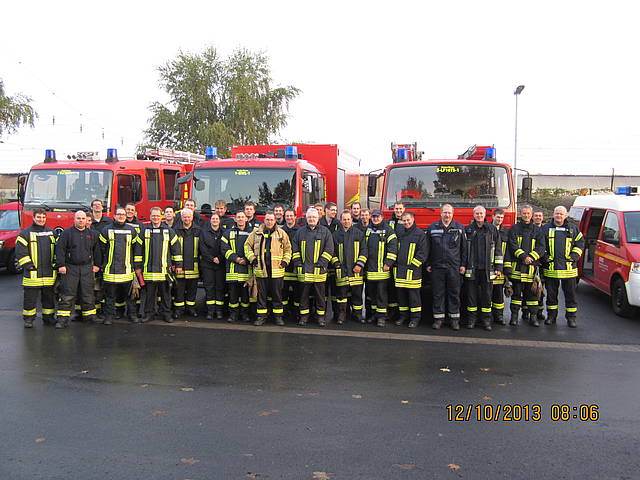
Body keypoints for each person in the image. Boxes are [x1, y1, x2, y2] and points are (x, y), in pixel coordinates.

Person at [540, 206, 585, 328]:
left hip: (568, 270)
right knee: (551, 296)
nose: (558, 216)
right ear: (553, 214)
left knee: (571, 296)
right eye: (557, 213)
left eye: (561, 214)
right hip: (551, 268)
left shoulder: (573, 228)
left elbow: (580, 243)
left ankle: (571, 318)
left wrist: (574, 256)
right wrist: (546, 257)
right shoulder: (545, 229)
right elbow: (540, 245)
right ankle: (551, 316)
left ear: (566, 215)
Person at [55, 210, 101, 327]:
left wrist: (97, 265)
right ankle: (62, 319)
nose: (81, 220)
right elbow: (60, 249)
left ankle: (90, 316)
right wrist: (61, 265)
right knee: (67, 294)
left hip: (87, 267)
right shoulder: (67, 233)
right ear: (74, 219)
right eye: (78, 218)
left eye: (83, 218)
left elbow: (97, 250)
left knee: (87, 293)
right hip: (70, 267)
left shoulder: (92, 234)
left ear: (86, 220)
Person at [245, 211, 292, 326]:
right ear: (264, 220)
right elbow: (247, 246)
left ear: (275, 220)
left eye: (271, 220)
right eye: (267, 219)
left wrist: (285, 261)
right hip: (261, 270)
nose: (269, 222)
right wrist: (252, 259)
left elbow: (288, 249)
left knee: (277, 295)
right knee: (261, 296)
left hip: (277, 270)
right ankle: (261, 317)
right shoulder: (256, 233)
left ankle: (278, 317)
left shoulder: (281, 233)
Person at [98, 206, 143, 325]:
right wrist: (103, 264)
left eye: (123, 214)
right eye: (119, 214)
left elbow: (136, 249)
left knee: (131, 296)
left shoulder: (132, 230)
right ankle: (109, 316)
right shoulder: (106, 230)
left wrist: (136, 266)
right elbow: (101, 249)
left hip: (127, 270)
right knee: (110, 296)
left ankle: (132, 315)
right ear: (114, 216)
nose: (121, 216)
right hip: (110, 270)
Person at [426, 204, 467, 330]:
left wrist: (463, 264)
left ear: (453, 214)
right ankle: (438, 319)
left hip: (454, 267)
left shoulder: (459, 228)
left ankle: (454, 320)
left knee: (454, 293)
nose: (447, 215)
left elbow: (464, 248)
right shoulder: (432, 228)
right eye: (445, 212)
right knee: (438, 294)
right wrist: (428, 263)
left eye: (449, 213)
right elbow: (427, 247)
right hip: (437, 266)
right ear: (440, 213)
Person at [291, 208, 334, 326]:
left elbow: (329, 249)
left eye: (314, 217)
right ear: (306, 218)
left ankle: (320, 317)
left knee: (320, 297)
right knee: (303, 296)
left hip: (319, 272)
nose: (311, 219)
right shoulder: (300, 232)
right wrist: (298, 262)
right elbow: (295, 248)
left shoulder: (325, 232)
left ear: (318, 218)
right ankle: (304, 317)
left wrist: (321, 263)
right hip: (304, 271)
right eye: (309, 217)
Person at [15, 208, 57, 328]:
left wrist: (55, 264)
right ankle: (29, 319)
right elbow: (20, 252)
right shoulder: (25, 234)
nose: (41, 219)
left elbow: (57, 250)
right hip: (32, 273)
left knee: (49, 298)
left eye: (43, 217)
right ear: (33, 218)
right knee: (30, 299)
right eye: (38, 217)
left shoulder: (51, 232)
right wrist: (29, 266)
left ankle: (48, 317)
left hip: (49, 273)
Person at [140, 207, 183, 323]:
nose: (155, 218)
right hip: (148, 270)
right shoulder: (144, 230)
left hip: (164, 270)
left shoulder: (169, 231)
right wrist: (138, 266)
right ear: (150, 217)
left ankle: (166, 314)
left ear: (161, 216)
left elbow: (176, 249)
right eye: (153, 215)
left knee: (166, 295)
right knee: (149, 295)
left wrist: (178, 265)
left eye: (158, 216)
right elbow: (139, 250)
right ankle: (149, 314)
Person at [463, 206, 502, 331]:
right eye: (477, 213)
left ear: (485, 215)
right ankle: (471, 320)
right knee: (471, 296)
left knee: (487, 296)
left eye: (481, 213)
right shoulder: (468, 230)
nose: (479, 216)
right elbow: (463, 250)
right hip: (472, 269)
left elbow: (498, 249)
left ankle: (486, 320)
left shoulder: (492, 229)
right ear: (473, 215)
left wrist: (498, 267)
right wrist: (463, 265)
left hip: (487, 269)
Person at [507, 205, 546, 326]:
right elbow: (512, 245)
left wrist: (531, 257)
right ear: (520, 214)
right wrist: (524, 257)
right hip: (517, 268)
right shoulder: (514, 229)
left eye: (528, 213)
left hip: (531, 269)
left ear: (531, 214)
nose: (526, 215)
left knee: (533, 295)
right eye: (524, 213)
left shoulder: (537, 230)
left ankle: (533, 317)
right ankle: (514, 317)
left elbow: (541, 247)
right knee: (516, 295)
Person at [331, 210, 367, 324]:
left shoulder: (359, 233)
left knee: (357, 295)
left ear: (352, 220)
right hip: (341, 271)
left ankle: (357, 315)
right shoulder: (335, 235)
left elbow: (364, 250)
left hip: (356, 271)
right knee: (341, 295)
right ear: (341, 220)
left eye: (348, 219)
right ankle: (342, 315)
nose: (346, 221)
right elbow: (332, 251)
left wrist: (359, 264)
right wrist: (336, 264)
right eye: (344, 219)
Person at [364, 210, 398, 327]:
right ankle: (375, 314)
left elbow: (393, 248)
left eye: (377, 217)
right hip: (370, 270)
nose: (375, 219)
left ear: (382, 217)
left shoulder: (388, 230)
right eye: (373, 217)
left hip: (382, 270)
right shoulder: (368, 230)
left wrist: (388, 263)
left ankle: (382, 317)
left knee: (381, 295)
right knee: (372, 295)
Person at [394, 212, 427, 328]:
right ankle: (403, 316)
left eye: (408, 220)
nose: (406, 222)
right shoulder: (399, 233)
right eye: (404, 220)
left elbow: (423, 252)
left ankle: (415, 319)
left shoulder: (420, 234)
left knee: (414, 297)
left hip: (413, 271)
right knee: (401, 296)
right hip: (400, 270)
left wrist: (413, 265)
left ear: (413, 219)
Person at [173, 208, 201, 319]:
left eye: (189, 217)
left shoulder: (198, 230)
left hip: (194, 266)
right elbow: (172, 249)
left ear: (192, 217)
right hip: (180, 266)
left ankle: (191, 308)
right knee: (178, 290)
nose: (187, 219)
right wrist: (174, 263)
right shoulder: (175, 230)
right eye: (185, 217)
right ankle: (179, 309)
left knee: (192, 289)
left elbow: (201, 248)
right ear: (181, 218)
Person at [200, 213, 226, 320]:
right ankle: (210, 311)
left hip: (220, 264)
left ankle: (219, 311)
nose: (215, 220)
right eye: (213, 219)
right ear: (210, 220)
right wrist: (212, 259)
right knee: (209, 287)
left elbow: (225, 247)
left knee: (220, 287)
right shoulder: (204, 232)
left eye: (216, 219)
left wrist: (219, 258)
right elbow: (202, 248)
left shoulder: (224, 232)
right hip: (207, 265)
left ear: (219, 221)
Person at [491, 209, 510, 325]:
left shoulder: (506, 232)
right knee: (486, 294)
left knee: (498, 294)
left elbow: (508, 251)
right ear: (493, 216)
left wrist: (506, 268)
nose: (499, 219)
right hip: (488, 268)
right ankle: (487, 316)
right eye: (498, 217)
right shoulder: (487, 229)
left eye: (502, 218)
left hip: (500, 269)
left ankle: (499, 316)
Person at [281, 208, 300, 322]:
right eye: (287, 216)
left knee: (297, 293)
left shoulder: (300, 231)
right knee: (283, 293)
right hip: (283, 267)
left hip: (296, 266)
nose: (289, 218)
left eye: (291, 216)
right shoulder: (280, 231)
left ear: (295, 217)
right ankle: (284, 313)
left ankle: (296, 314)